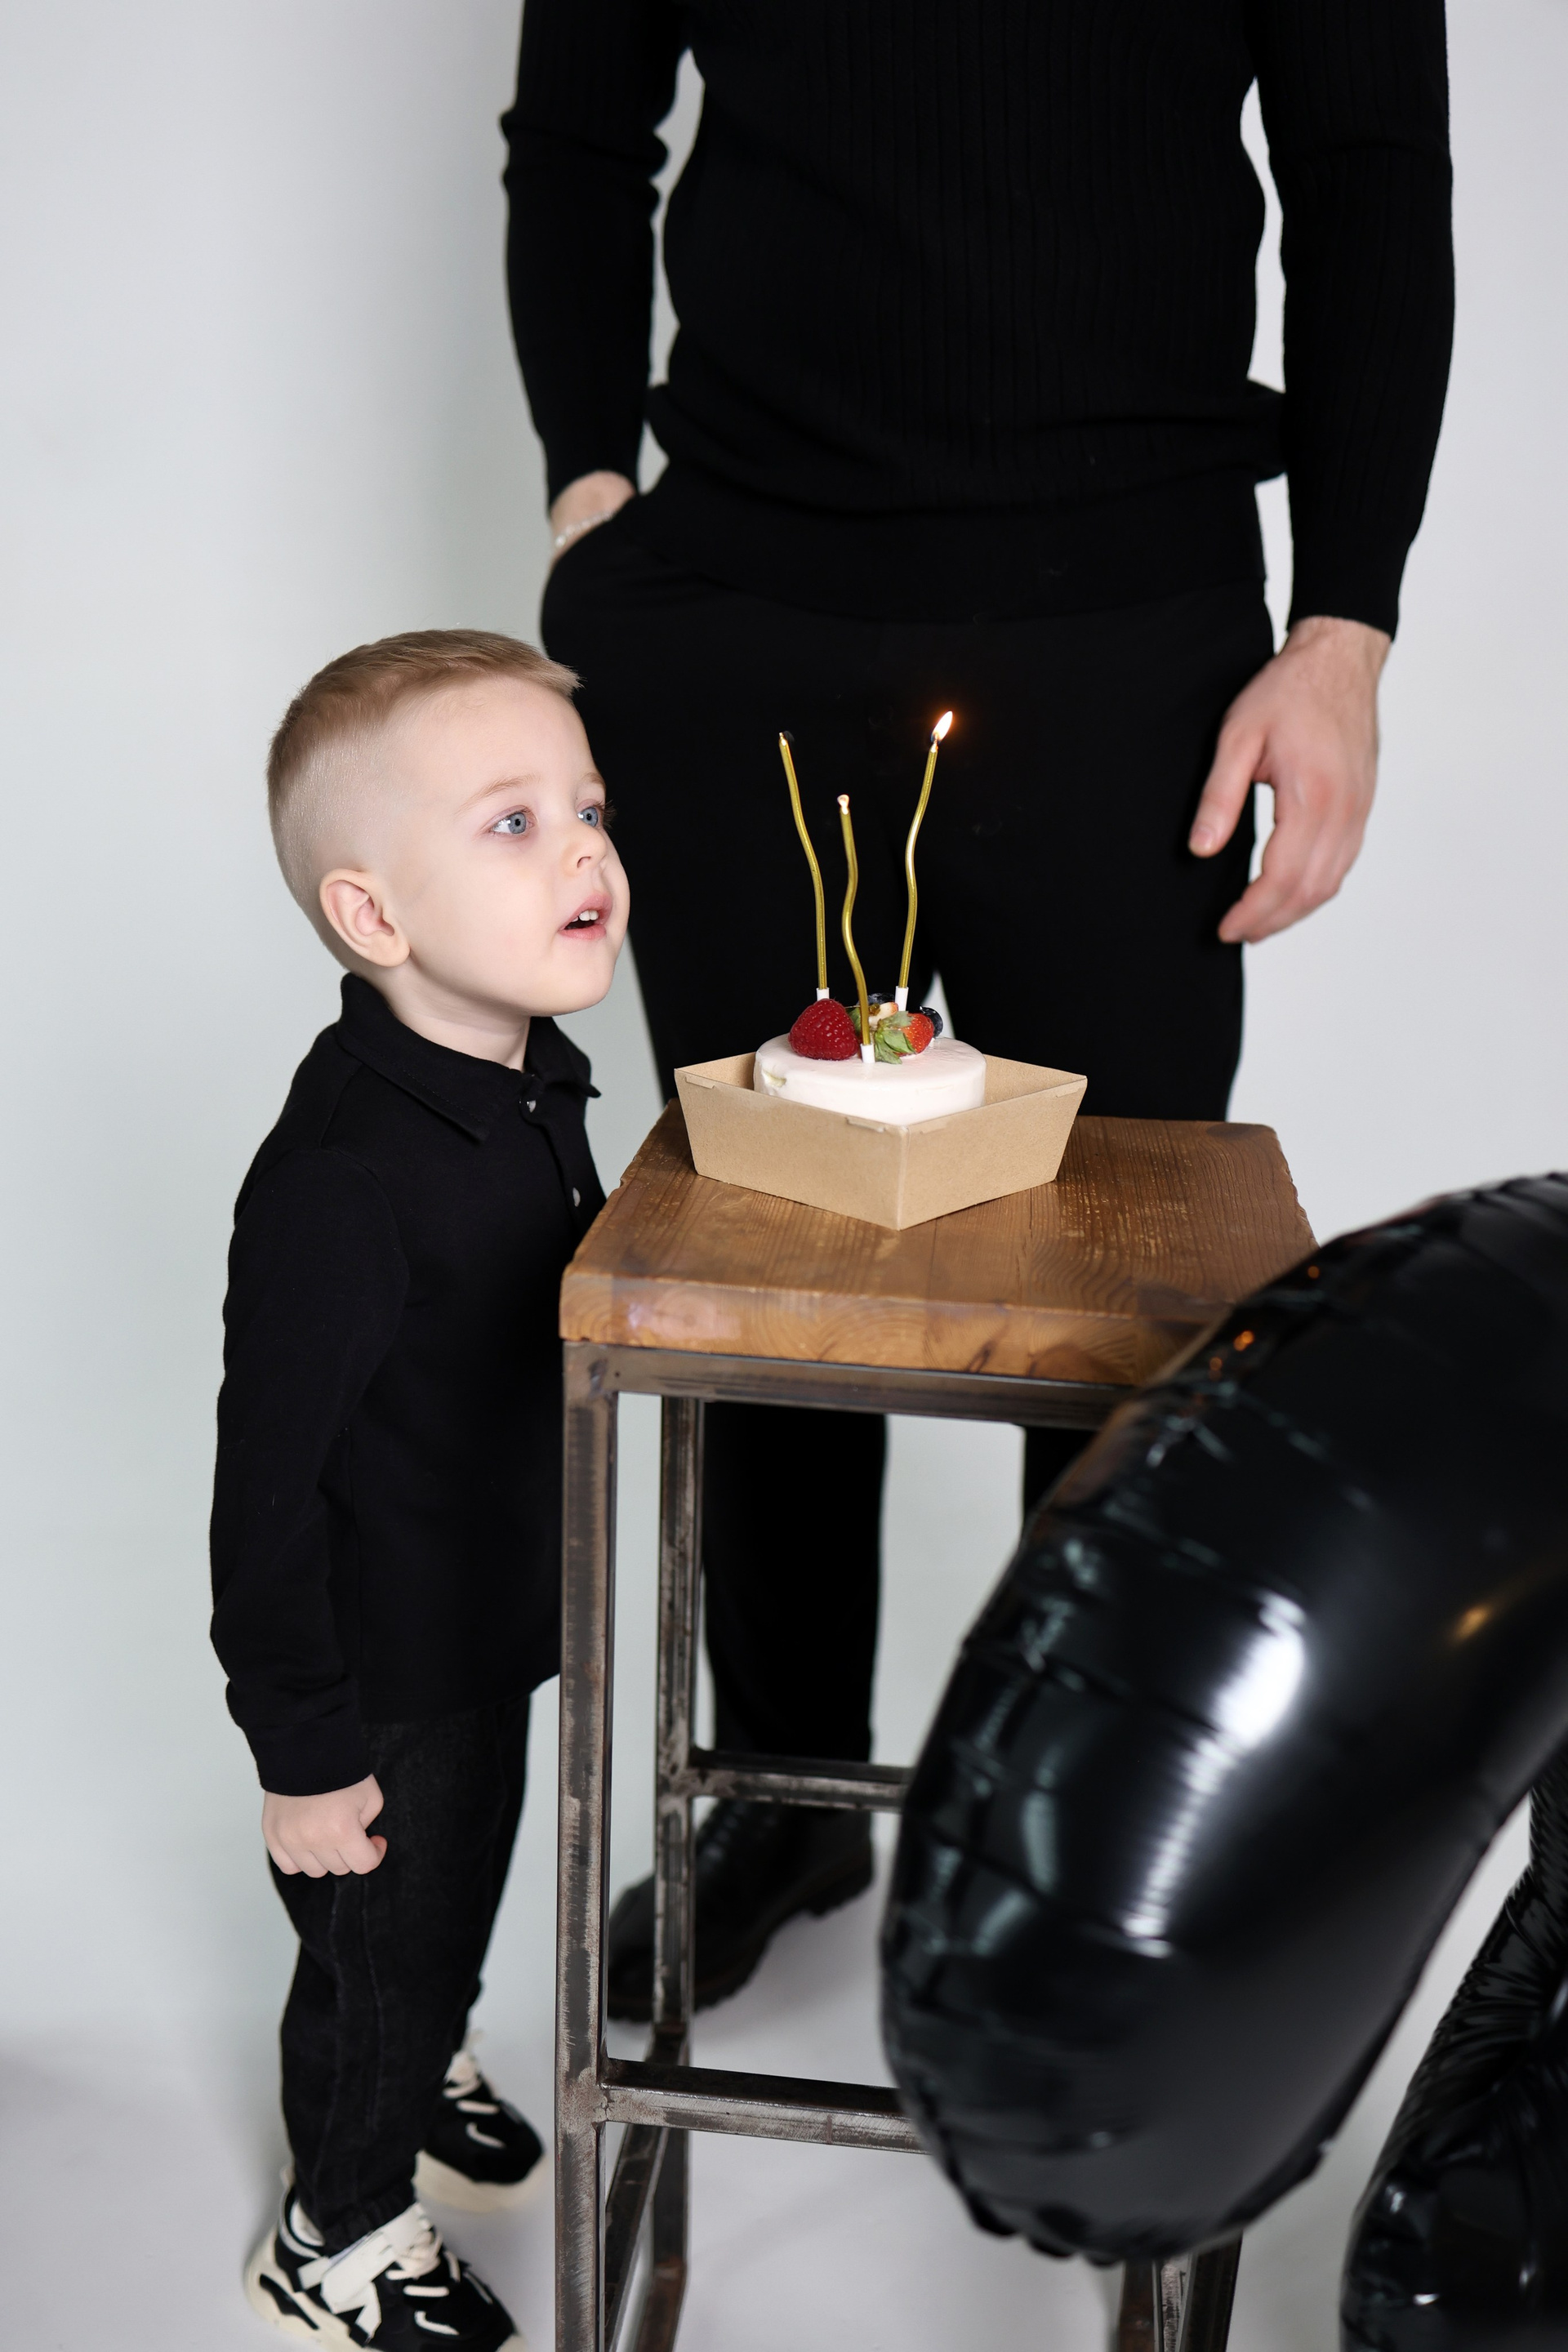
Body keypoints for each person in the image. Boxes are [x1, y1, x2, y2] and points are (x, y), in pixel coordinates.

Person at [501, 0, 1454, 2020]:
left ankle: (1073, 1839)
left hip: (1133, 627)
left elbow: (1370, 170)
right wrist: (590, 486)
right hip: (740, 611)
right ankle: (786, 1797)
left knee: (1121, 1289)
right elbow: (579, 126)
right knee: (771, 1252)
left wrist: (1346, 625)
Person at [211, 630, 630, 2348]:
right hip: (380, 1678)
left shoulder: (525, 1081)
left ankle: (424, 2040)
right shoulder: (341, 1181)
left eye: (588, 808)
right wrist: (304, 1753)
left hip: (487, 1619)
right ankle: (339, 2226)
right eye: (514, 823)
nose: (587, 849)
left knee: (446, 1908)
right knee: (372, 1951)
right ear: (372, 914)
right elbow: (264, 1496)